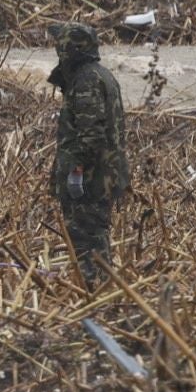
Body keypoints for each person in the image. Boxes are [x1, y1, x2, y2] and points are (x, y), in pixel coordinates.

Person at [48, 23, 130, 285]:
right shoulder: (102, 75)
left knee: (86, 238)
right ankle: (99, 287)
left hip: (92, 180)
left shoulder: (86, 81)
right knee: (95, 235)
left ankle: (92, 290)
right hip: (105, 176)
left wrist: (75, 174)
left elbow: (91, 136)